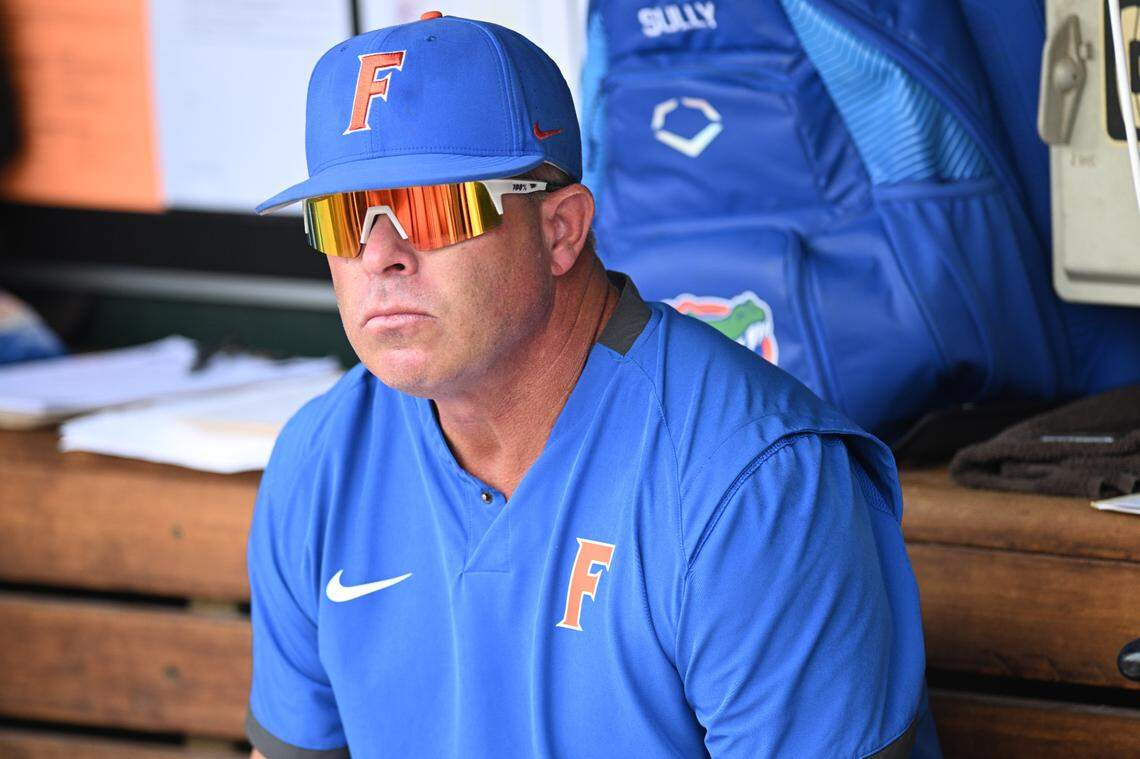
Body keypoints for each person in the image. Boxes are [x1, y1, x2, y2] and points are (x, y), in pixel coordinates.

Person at [244, 11, 940, 759]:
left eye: (432, 207)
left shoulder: (751, 484)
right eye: (344, 218)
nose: (381, 253)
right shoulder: (321, 460)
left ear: (560, 230)